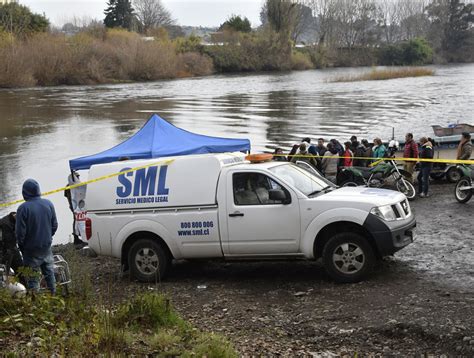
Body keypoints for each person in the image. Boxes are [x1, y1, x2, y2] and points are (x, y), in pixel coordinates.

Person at [16, 179, 58, 294]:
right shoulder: (48, 203)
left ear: (25, 192)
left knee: (33, 279)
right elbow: (54, 225)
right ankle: (54, 297)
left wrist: (22, 247)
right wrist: (48, 237)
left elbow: (20, 234)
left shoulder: (23, 208)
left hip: (30, 250)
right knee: (50, 274)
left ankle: (36, 304)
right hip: (46, 246)